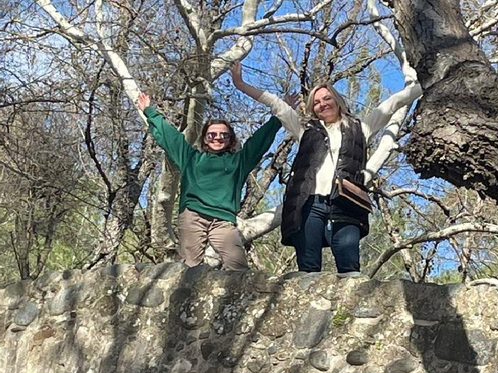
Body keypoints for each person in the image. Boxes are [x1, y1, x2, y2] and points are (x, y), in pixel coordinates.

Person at [231, 62, 421, 274]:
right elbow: (276, 104)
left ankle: (348, 307)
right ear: (313, 109)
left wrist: (437, 78)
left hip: (346, 202)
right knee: (308, 269)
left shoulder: (360, 127)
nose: (323, 104)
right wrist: (240, 84)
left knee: (349, 268)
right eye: (317, 102)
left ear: (337, 101)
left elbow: (394, 102)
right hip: (308, 203)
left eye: (327, 98)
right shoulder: (305, 130)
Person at [135, 92, 281, 270]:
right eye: (212, 135)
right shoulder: (191, 158)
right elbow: (169, 136)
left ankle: (230, 298)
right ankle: (189, 297)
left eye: (223, 135)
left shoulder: (239, 162)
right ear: (204, 138)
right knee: (190, 268)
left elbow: (260, 141)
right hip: (193, 216)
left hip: (223, 221)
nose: (218, 138)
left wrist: (279, 115)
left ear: (230, 139)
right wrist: (149, 111)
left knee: (238, 266)